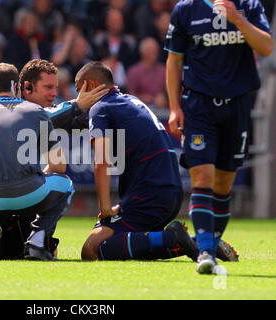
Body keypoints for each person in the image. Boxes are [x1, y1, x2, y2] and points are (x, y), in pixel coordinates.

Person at [0, 59, 108, 260]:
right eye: (48, 87)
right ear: (25, 88)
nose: (54, 93)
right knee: (43, 190)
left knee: (13, 228)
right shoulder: (14, 108)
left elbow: (61, 119)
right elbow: (50, 117)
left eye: (55, 88)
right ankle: (36, 241)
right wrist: (76, 105)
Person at [165, 0, 273, 274]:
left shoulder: (249, 5)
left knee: (224, 185)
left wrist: (238, 20)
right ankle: (205, 253)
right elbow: (174, 60)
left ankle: (210, 245)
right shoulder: (186, 9)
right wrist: (175, 107)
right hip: (199, 105)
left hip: (237, 104)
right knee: (202, 178)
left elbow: (266, 46)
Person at [77, 61, 198, 262]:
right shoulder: (132, 102)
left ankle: (174, 239)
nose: (78, 98)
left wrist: (105, 208)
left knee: (92, 249)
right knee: (132, 243)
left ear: (89, 85)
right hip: (171, 193)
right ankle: (196, 242)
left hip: (149, 195)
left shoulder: (100, 107)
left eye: (78, 89)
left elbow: (102, 161)